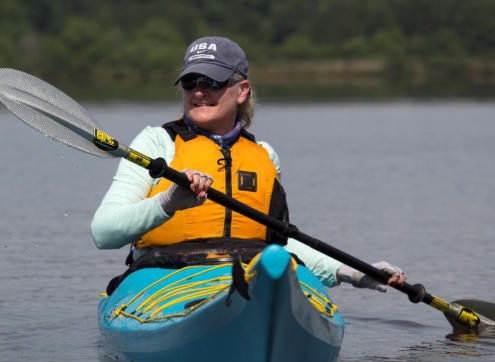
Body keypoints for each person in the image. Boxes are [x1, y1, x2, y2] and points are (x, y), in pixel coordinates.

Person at [91, 36, 406, 294]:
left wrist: (349, 271)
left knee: (280, 263)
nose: (199, 91)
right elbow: (104, 232)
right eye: (190, 82)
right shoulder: (155, 143)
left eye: (212, 81)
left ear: (242, 90)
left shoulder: (265, 155)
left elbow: (280, 240)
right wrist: (167, 202)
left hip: (247, 272)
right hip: (165, 274)